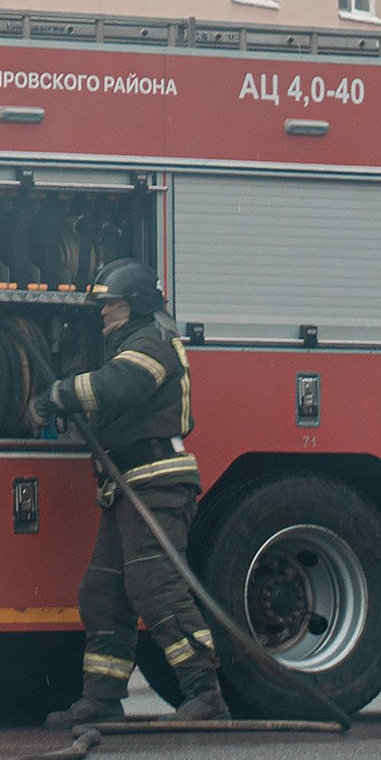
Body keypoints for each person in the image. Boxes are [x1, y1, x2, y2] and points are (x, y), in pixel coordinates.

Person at [31, 260, 226, 726]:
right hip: (127, 487)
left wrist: (55, 396)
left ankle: (205, 693)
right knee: (102, 593)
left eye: (111, 304)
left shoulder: (153, 343)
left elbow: (118, 385)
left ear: (136, 304)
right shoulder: (127, 344)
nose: (103, 312)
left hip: (157, 485)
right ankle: (102, 699)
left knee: (155, 589)